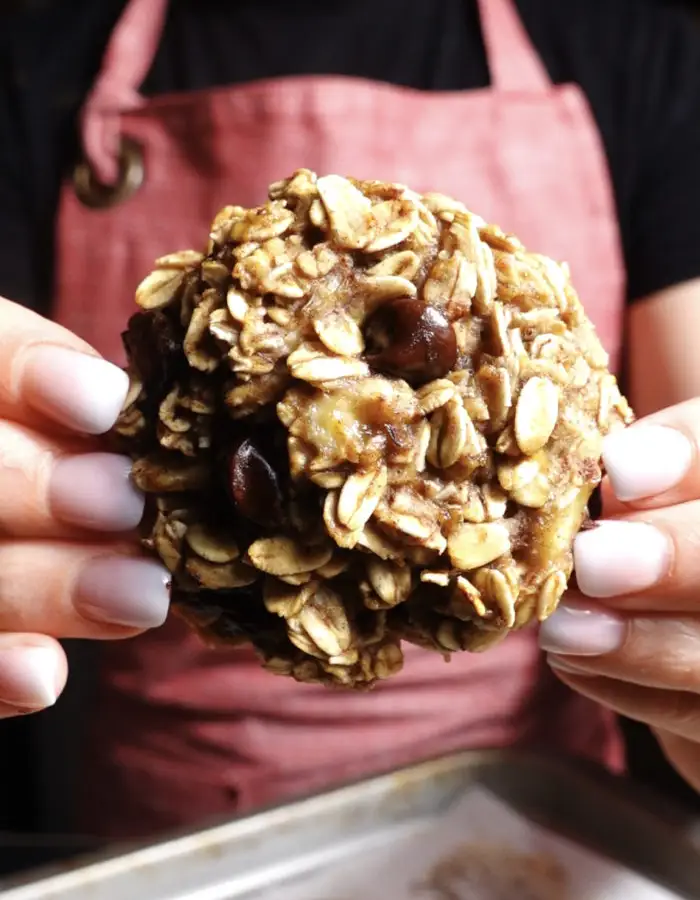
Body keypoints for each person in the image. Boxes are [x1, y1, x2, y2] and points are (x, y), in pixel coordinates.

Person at [2, 0, 700, 841]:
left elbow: (675, 493)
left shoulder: (632, 53)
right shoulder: (32, 68)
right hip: (170, 826)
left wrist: (677, 668)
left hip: (526, 821)